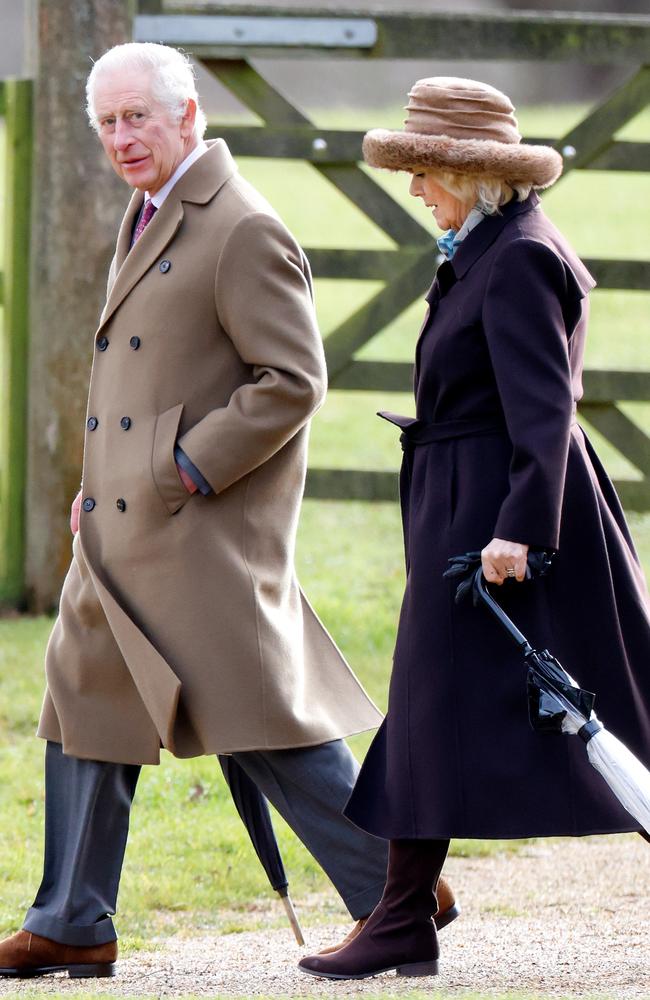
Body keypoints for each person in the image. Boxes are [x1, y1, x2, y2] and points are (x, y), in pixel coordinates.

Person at [0, 46, 460, 979]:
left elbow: (292, 381)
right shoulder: (147, 213)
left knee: (265, 729)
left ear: (188, 115)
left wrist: (182, 469)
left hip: (198, 534)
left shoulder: (241, 225)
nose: (122, 137)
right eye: (108, 123)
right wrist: (102, 485)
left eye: (138, 117)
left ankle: (399, 887)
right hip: (116, 531)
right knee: (84, 700)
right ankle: (72, 923)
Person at [298, 76, 650, 981]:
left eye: (425, 172)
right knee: (437, 705)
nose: (416, 190)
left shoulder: (520, 255)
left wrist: (519, 534)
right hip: (468, 502)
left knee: (600, 707)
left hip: (503, 516)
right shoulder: (485, 244)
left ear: (476, 176)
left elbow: (546, 411)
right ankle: (402, 918)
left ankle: (401, 919)